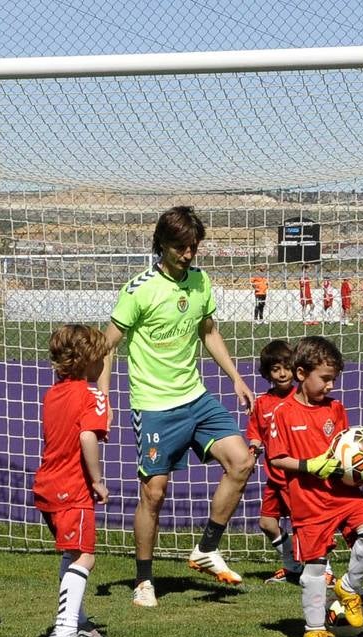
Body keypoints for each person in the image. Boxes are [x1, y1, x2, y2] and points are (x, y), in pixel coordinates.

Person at [100, 206, 256, 608]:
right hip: (154, 406)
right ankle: (143, 581)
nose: (189, 254)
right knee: (154, 493)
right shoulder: (139, 290)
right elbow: (106, 346)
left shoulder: (201, 281)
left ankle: (206, 548)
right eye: (180, 247)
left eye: (193, 246)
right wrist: (103, 395)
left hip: (197, 398)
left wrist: (235, 377)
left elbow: (209, 332)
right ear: (161, 245)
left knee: (241, 461)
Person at [264, 336, 363, 637]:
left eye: (334, 379)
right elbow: (276, 458)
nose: (331, 386)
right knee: (315, 568)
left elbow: (346, 454)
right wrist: (310, 465)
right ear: (302, 374)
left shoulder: (336, 409)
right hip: (308, 502)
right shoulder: (283, 413)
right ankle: (315, 630)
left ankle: (349, 587)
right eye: (325, 379)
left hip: (343, 495)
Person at [33, 324, 114, 637]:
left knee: (71, 552)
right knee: (85, 555)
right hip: (72, 488)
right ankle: (64, 632)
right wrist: (96, 479)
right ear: (88, 361)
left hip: (46, 485)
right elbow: (86, 438)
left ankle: (76, 621)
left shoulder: (53, 393)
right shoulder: (90, 396)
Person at [246, 339, 299, 584]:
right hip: (274, 477)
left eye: (286, 367)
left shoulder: (301, 398)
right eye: (275, 369)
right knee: (267, 523)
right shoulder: (263, 403)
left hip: (298, 477)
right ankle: (292, 566)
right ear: (268, 373)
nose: (282, 373)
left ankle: (325, 569)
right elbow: (256, 431)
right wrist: (254, 447)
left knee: (305, 526)